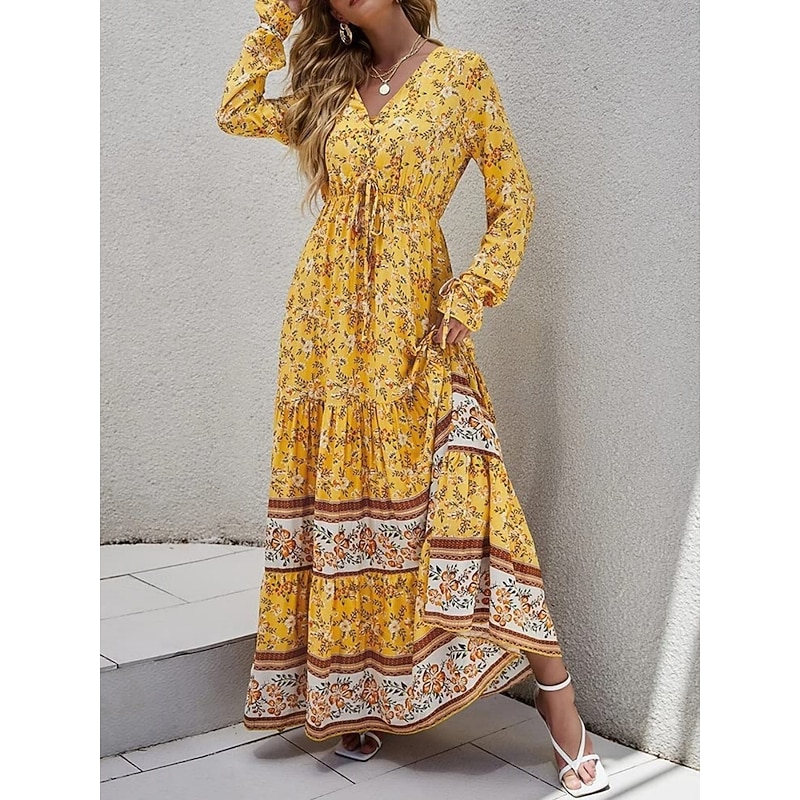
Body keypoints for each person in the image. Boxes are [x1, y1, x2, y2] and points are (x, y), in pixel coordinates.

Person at [216, 1, 609, 796]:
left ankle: (561, 708)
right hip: (326, 326)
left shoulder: (461, 76)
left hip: (418, 321)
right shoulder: (331, 83)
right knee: (351, 497)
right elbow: (236, 111)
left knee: (475, 494)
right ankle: (355, 696)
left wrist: (474, 290)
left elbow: (513, 197)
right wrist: (274, 21)